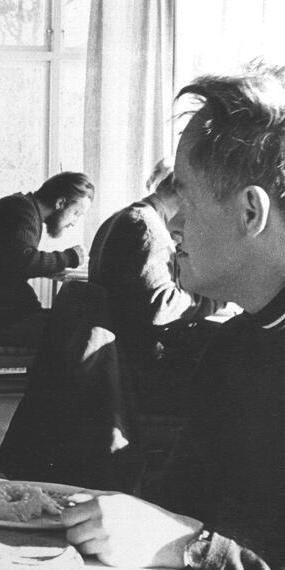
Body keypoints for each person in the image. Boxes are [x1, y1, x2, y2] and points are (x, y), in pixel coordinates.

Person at [63, 63, 285, 570]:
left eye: (187, 204)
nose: (174, 230)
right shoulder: (235, 346)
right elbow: (175, 508)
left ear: (251, 212)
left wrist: (186, 546)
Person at [88, 162, 219, 416]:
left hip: (117, 359)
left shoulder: (122, 217)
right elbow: (161, 307)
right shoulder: (148, 227)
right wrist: (216, 300)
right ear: (185, 197)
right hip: (139, 369)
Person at [0, 171, 93, 348]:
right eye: (76, 213)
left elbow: (15, 261)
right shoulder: (21, 210)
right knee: (89, 330)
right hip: (1, 326)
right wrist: (71, 256)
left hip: (1, 319)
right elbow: (24, 261)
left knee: (81, 324)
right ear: (60, 203)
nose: (74, 222)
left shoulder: (22, 207)